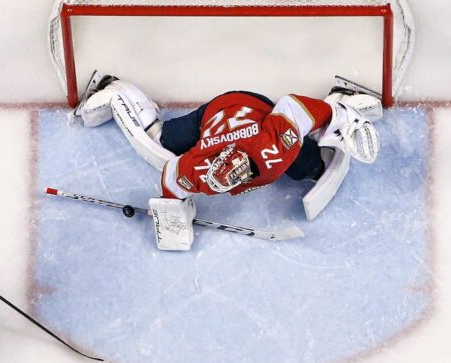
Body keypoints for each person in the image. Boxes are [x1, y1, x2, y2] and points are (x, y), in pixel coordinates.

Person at [74, 71, 383, 250]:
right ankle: (115, 91)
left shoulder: (272, 150)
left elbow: (293, 107)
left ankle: (342, 97)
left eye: (232, 178)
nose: (228, 182)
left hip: (253, 107)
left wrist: (342, 117)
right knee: (159, 140)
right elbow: (171, 175)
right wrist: (174, 215)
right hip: (212, 113)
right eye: (223, 181)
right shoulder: (201, 168)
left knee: (312, 168)